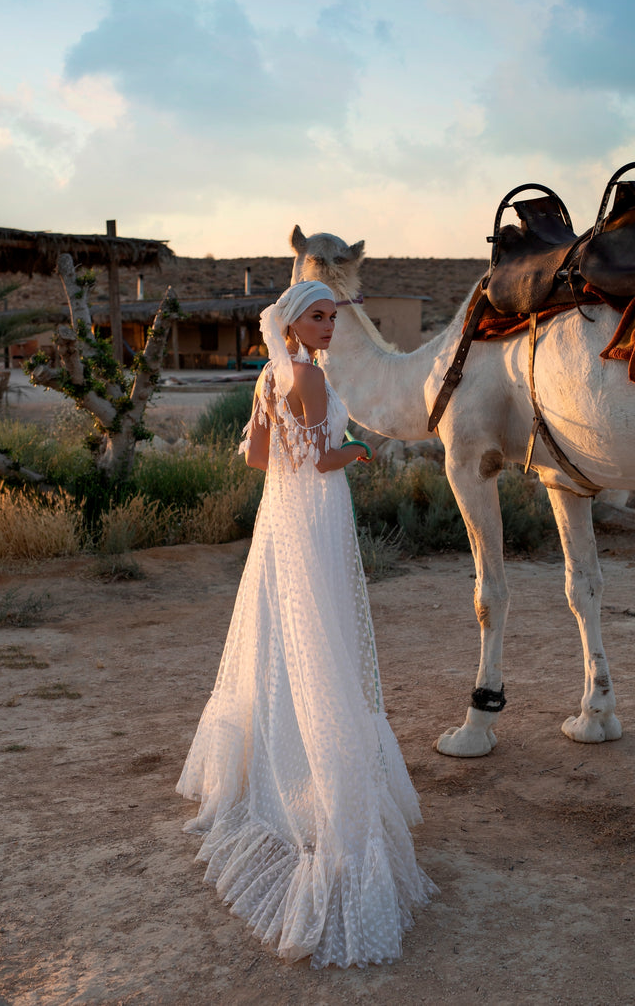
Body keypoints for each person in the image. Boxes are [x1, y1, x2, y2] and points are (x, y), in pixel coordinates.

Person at [176, 280, 436, 969]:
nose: (327, 326)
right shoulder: (311, 381)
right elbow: (321, 459)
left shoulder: (269, 376)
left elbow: (259, 459)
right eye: (316, 316)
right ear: (292, 323)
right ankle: (323, 776)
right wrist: (355, 451)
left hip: (280, 522)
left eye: (331, 316)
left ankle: (270, 764)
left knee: (286, 643)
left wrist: (316, 449)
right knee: (325, 645)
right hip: (317, 522)